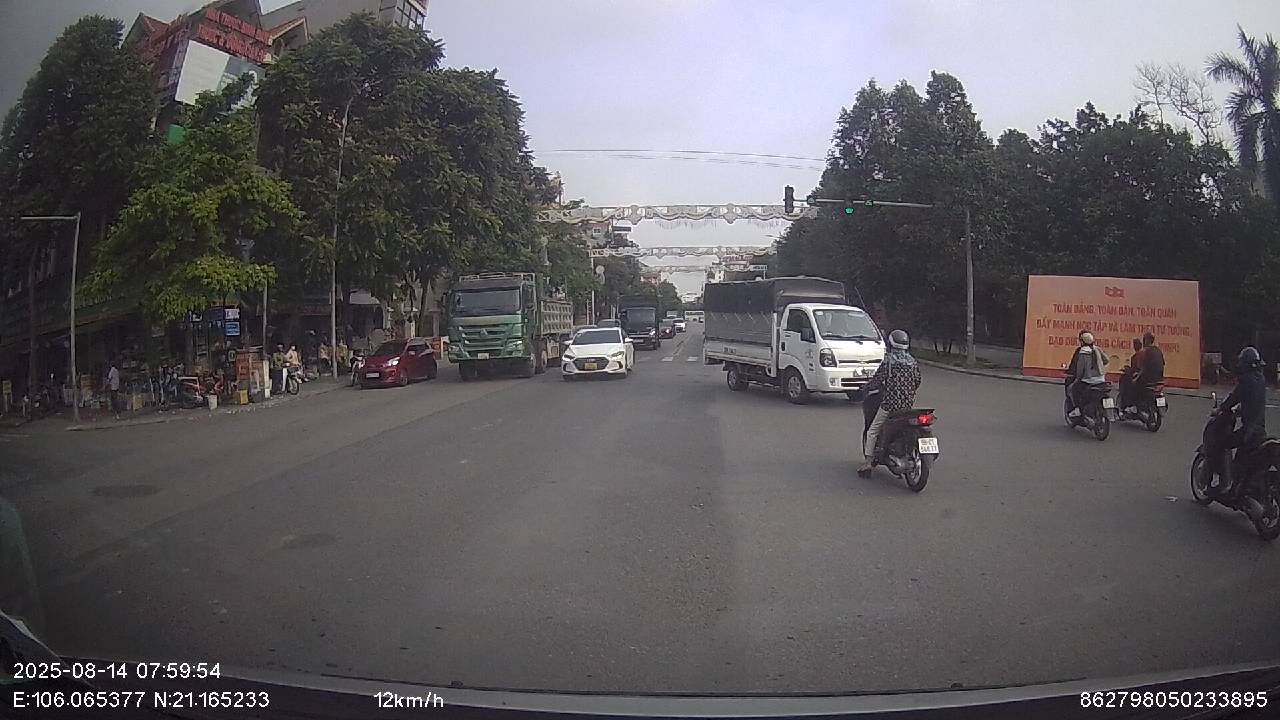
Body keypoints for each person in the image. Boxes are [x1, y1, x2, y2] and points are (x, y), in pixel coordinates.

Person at [859, 329, 921, 473]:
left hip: (890, 405)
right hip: (907, 406)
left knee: (873, 430)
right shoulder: (912, 362)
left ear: (890, 343)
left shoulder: (889, 362)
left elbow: (876, 381)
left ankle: (868, 463)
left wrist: (866, 387)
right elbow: (918, 381)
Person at [1212, 346, 1266, 496]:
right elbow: (1253, 402)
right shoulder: (1261, 380)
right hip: (1260, 432)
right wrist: (1240, 411)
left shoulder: (1246, 380)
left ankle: (1228, 484)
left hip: (1249, 433)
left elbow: (1233, 398)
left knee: (1223, 444)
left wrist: (1220, 409)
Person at [1065, 330, 1108, 416]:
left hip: (1088, 380)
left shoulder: (1083, 352)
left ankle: (1077, 409)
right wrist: (1098, 366)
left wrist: (1076, 380)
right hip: (1101, 379)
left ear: (1082, 342)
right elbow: (1106, 360)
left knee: (1073, 388)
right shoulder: (1097, 349)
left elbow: (1080, 371)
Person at [1118, 338, 1143, 412]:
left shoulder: (1137, 356)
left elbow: (1137, 369)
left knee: (1127, 385)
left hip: (1138, 378)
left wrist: (1128, 370)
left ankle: (1128, 404)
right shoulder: (1139, 355)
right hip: (1141, 377)